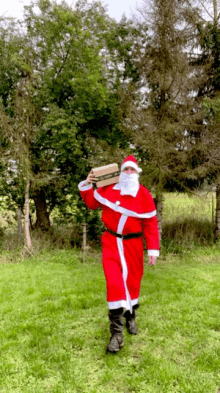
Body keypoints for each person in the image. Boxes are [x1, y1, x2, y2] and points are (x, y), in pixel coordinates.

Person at [78, 155, 160, 353]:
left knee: (132, 282)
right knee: (114, 283)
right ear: (120, 172)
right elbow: (91, 203)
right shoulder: (108, 190)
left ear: (137, 173)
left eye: (132, 170)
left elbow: (150, 224)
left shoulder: (144, 195)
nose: (129, 173)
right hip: (111, 243)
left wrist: (153, 249)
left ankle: (130, 317)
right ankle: (116, 334)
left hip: (133, 245)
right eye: (126, 170)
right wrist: (88, 184)